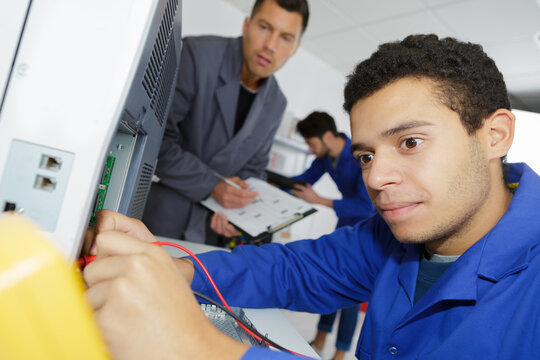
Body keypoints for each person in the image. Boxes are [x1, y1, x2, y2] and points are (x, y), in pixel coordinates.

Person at [84, 34, 540, 360]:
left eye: (410, 143)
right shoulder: (394, 239)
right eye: (365, 155)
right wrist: (172, 268)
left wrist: (200, 347)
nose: (376, 177)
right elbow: (294, 269)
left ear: (494, 136)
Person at [142, 0, 309, 243]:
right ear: (246, 24)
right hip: (156, 216)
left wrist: (239, 212)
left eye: (285, 38)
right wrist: (213, 186)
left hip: (208, 231)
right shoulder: (197, 55)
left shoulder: (276, 103)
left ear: (295, 47)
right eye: (264, 27)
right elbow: (156, 141)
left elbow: (253, 170)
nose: (270, 46)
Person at [290, 111, 375, 359]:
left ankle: (340, 353)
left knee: (350, 292)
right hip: (345, 226)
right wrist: (268, 180)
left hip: (366, 230)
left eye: (312, 143)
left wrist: (319, 200)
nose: (309, 148)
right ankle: (319, 339)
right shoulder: (326, 159)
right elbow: (303, 180)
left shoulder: (360, 155)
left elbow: (365, 205)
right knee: (331, 282)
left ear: (328, 136)